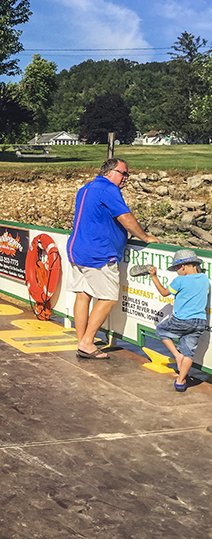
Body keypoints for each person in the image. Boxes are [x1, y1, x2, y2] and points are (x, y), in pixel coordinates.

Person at [67, 158, 159, 360]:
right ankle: (87, 343)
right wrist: (144, 237)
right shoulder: (109, 189)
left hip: (78, 249)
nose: (126, 178)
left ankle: (82, 341)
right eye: (123, 173)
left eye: (127, 174)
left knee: (83, 295)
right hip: (99, 253)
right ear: (109, 172)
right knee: (109, 297)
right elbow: (125, 217)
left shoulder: (85, 188)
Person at [149, 250, 210, 392]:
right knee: (189, 352)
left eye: (176, 268)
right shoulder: (204, 279)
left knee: (161, 330)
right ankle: (180, 381)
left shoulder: (180, 280)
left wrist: (154, 277)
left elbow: (164, 293)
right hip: (200, 321)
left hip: (182, 319)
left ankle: (177, 356)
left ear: (183, 266)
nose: (176, 271)